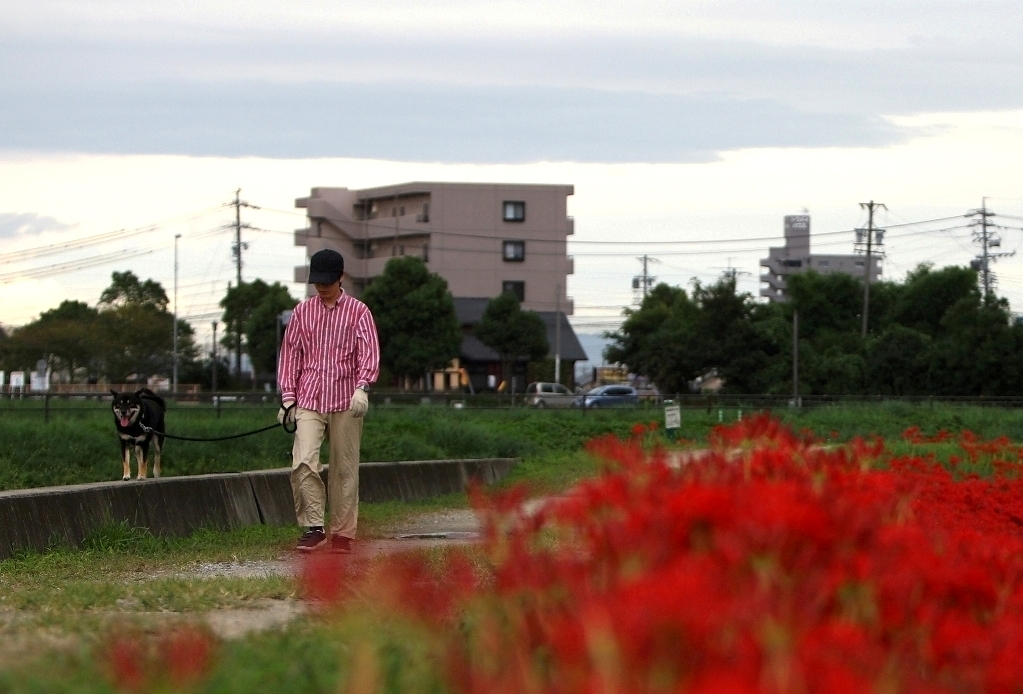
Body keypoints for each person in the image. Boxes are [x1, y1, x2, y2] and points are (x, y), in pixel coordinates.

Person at [277, 248, 380, 552]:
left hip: (347, 399)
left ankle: (343, 532)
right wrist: (287, 399)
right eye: (316, 282)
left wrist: (363, 387)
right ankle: (314, 526)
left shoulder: (359, 312)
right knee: (303, 461)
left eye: (326, 281)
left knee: (344, 467)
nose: (321, 287)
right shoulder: (301, 312)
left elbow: (369, 352)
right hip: (308, 397)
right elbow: (290, 357)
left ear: (340, 278)